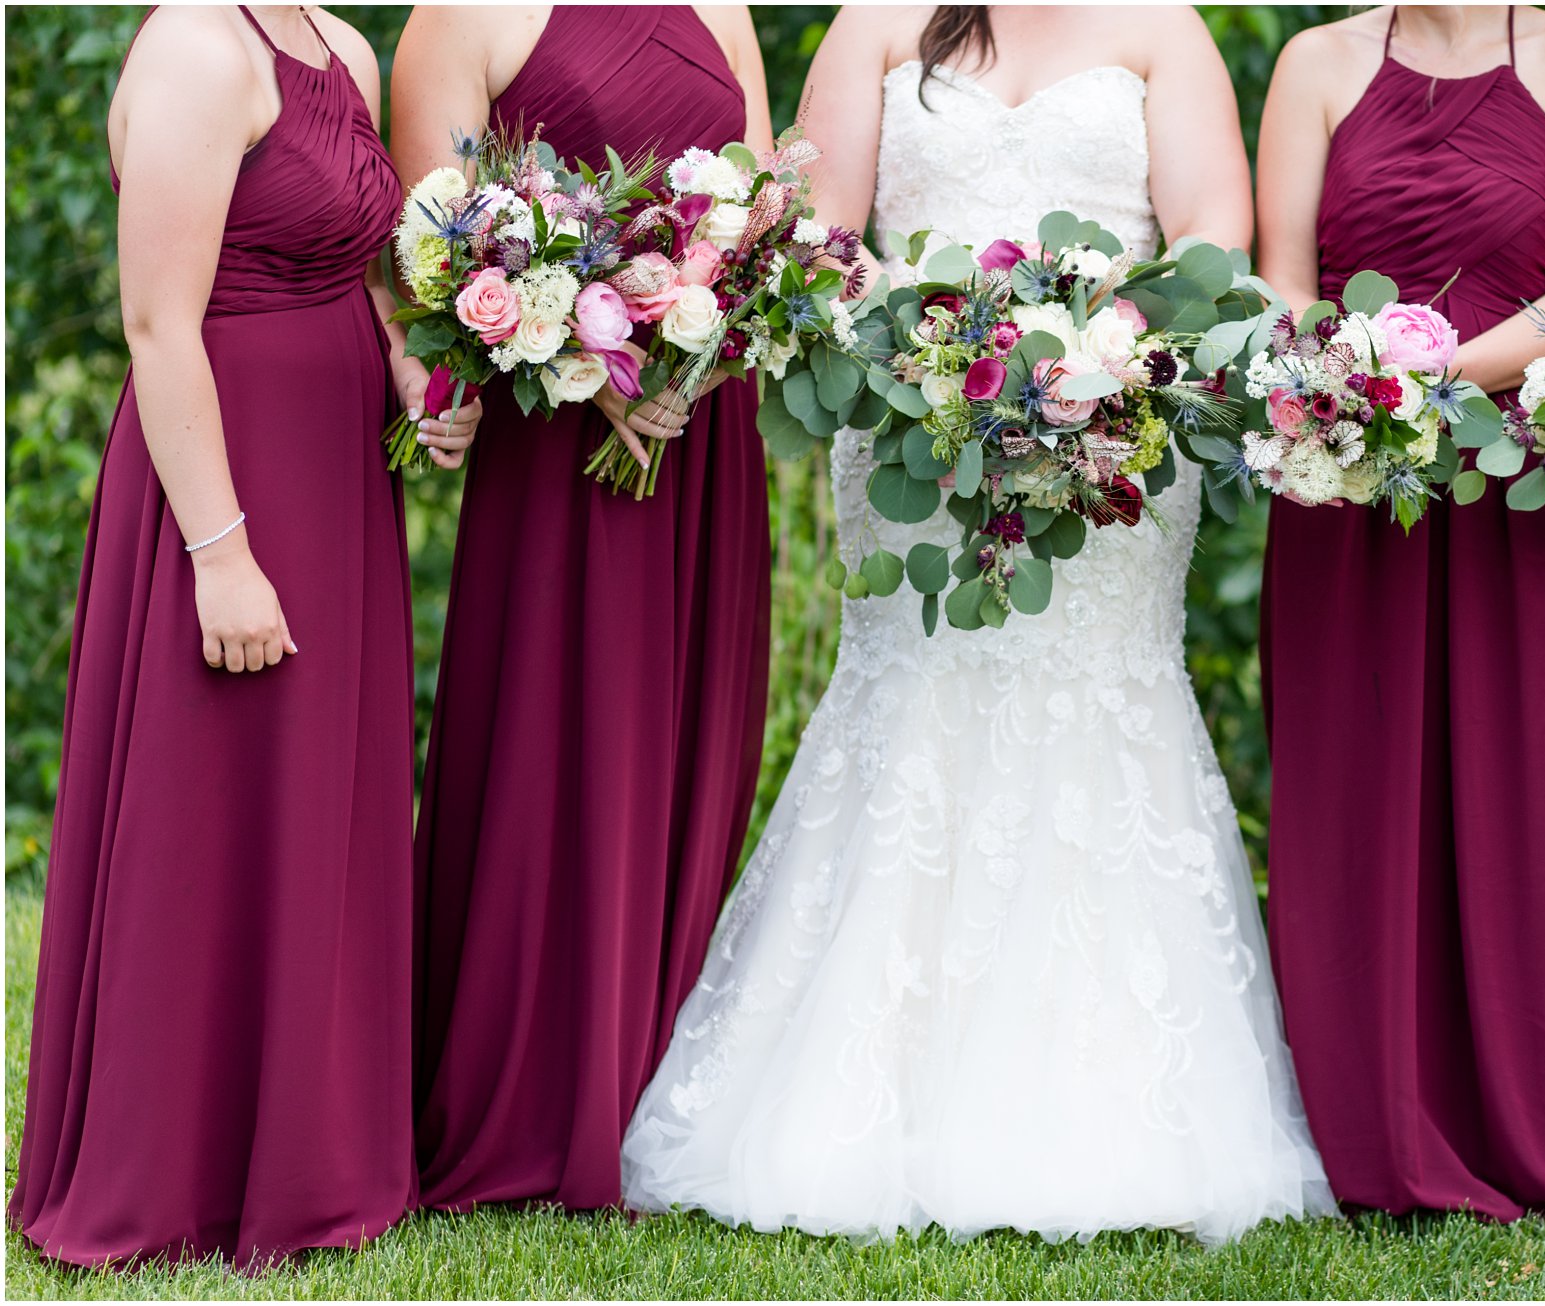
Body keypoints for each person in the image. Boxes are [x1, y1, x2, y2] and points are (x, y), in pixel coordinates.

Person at [620, 3, 1333, 1244]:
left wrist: (1099, 348)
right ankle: (867, 1094)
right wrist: (937, 352)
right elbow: (826, 239)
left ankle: (1113, 1105)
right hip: (913, 427)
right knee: (921, 693)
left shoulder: (1162, 29)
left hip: (1116, 426)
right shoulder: (880, 25)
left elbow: (1217, 238)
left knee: (1098, 690)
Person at [9, 3, 476, 1267]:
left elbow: (362, 262)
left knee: (319, 803)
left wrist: (408, 369)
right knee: (213, 806)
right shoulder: (195, 52)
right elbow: (158, 326)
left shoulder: (340, 44)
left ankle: (318, 1153)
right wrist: (220, 554)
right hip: (228, 477)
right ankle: (180, 1168)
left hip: (337, 480)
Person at [1253, 4, 1545, 1219]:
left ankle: (1541, 1121)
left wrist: (1417, 380)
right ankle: (1370, 1119)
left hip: (1522, 481)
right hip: (1348, 482)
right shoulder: (1314, 63)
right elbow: (1281, 281)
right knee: (1355, 783)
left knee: (1538, 791)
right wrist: (1349, 390)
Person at [391, 2, 774, 1213]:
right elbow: (436, 262)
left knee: (688, 732)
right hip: (554, 446)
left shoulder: (726, 7)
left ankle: (652, 1077)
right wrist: (590, 366)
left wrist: (692, 356)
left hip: (697, 425)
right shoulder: (456, 16)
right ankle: (532, 1096)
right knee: (558, 745)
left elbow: (766, 221)